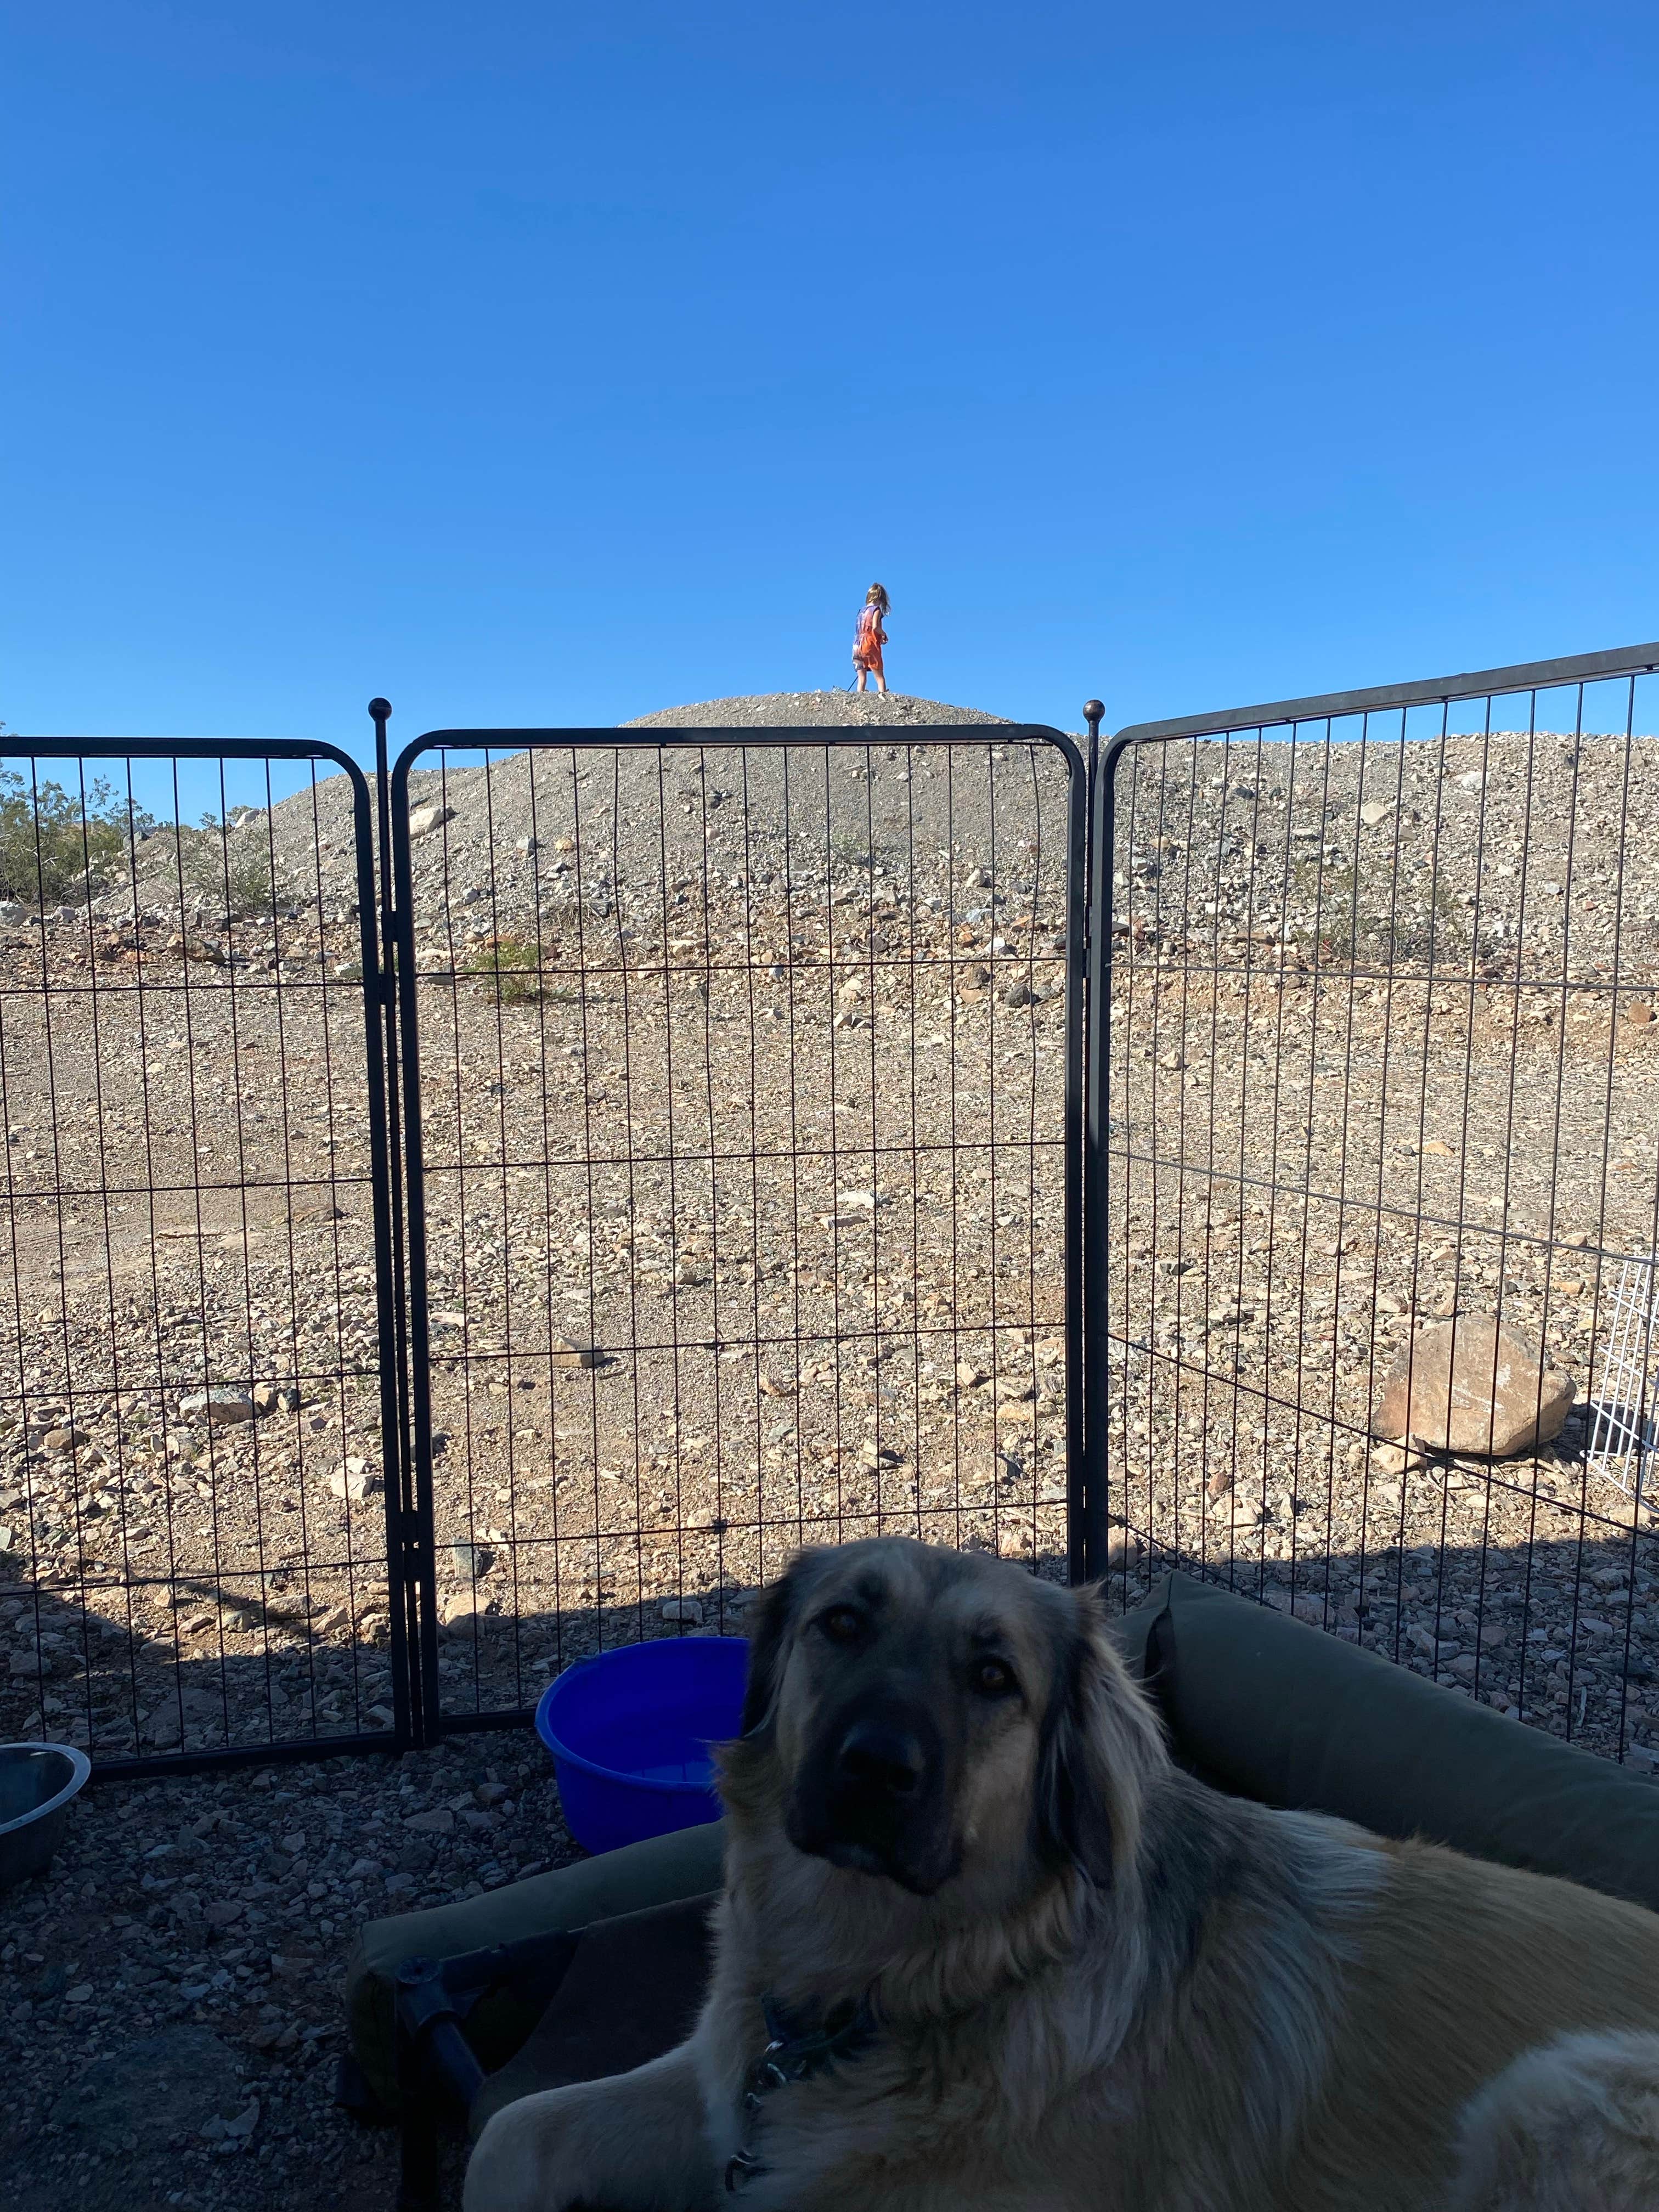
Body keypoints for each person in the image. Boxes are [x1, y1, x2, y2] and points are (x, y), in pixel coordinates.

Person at [851, 583, 890, 693]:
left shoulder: (861, 611)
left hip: (857, 645)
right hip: (869, 643)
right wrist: (884, 634)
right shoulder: (876, 610)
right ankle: (883, 693)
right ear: (881, 598)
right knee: (879, 676)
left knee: (861, 677)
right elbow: (875, 627)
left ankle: (860, 694)